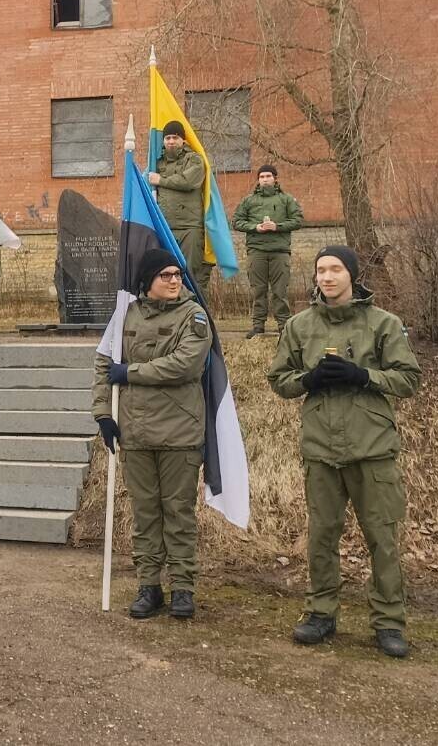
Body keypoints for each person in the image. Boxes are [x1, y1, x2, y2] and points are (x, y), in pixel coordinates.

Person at [266, 245, 421, 658]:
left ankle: (389, 622)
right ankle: (321, 613)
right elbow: (279, 379)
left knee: (382, 539)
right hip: (321, 448)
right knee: (321, 536)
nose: (327, 277)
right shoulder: (299, 326)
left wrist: (363, 375)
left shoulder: (383, 323)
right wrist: (309, 380)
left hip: (372, 449)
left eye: (335, 269)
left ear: (352, 275)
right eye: (321, 270)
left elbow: (408, 379)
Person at [92, 249, 210, 620]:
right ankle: (149, 586)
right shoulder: (124, 314)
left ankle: (182, 588)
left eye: (177, 274)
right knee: (144, 514)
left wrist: (131, 373)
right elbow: (103, 364)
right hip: (136, 432)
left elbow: (185, 365)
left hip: (179, 432)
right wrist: (102, 414)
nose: (174, 281)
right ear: (148, 281)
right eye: (165, 275)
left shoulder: (193, 315)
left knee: (178, 513)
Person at [232, 164, 304, 338]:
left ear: (275, 178)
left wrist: (277, 226)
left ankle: (284, 326)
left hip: (280, 251)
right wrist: (255, 227)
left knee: (280, 291)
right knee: (258, 291)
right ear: (258, 180)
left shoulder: (286, 199)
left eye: (268, 176)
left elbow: (298, 220)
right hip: (256, 251)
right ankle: (258, 326)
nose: (265, 180)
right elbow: (236, 222)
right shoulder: (249, 201)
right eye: (262, 177)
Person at [148, 121, 209, 302]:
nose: (171, 141)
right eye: (167, 138)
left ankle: (195, 313)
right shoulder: (156, 163)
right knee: (164, 275)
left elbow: (189, 181)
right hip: (165, 228)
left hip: (189, 228)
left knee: (190, 275)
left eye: (175, 137)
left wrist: (161, 180)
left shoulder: (194, 159)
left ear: (183, 140)